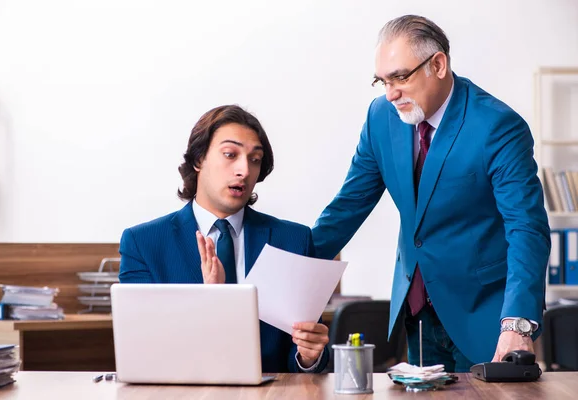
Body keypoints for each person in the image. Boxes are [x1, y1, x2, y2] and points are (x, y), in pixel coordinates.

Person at [311, 15, 550, 372]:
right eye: (382, 81)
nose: (390, 93)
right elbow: (347, 207)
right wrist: (286, 275)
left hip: (485, 315)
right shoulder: (381, 117)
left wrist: (517, 323)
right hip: (417, 313)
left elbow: (526, 227)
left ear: (437, 64)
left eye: (400, 78)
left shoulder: (497, 126)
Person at [119, 104, 329, 373]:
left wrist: (308, 356)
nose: (244, 169)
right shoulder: (144, 243)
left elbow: (299, 354)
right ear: (198, 160)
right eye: (230, 155)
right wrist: (212, 303)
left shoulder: (293, 240)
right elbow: (143, 352)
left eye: (255, 159)